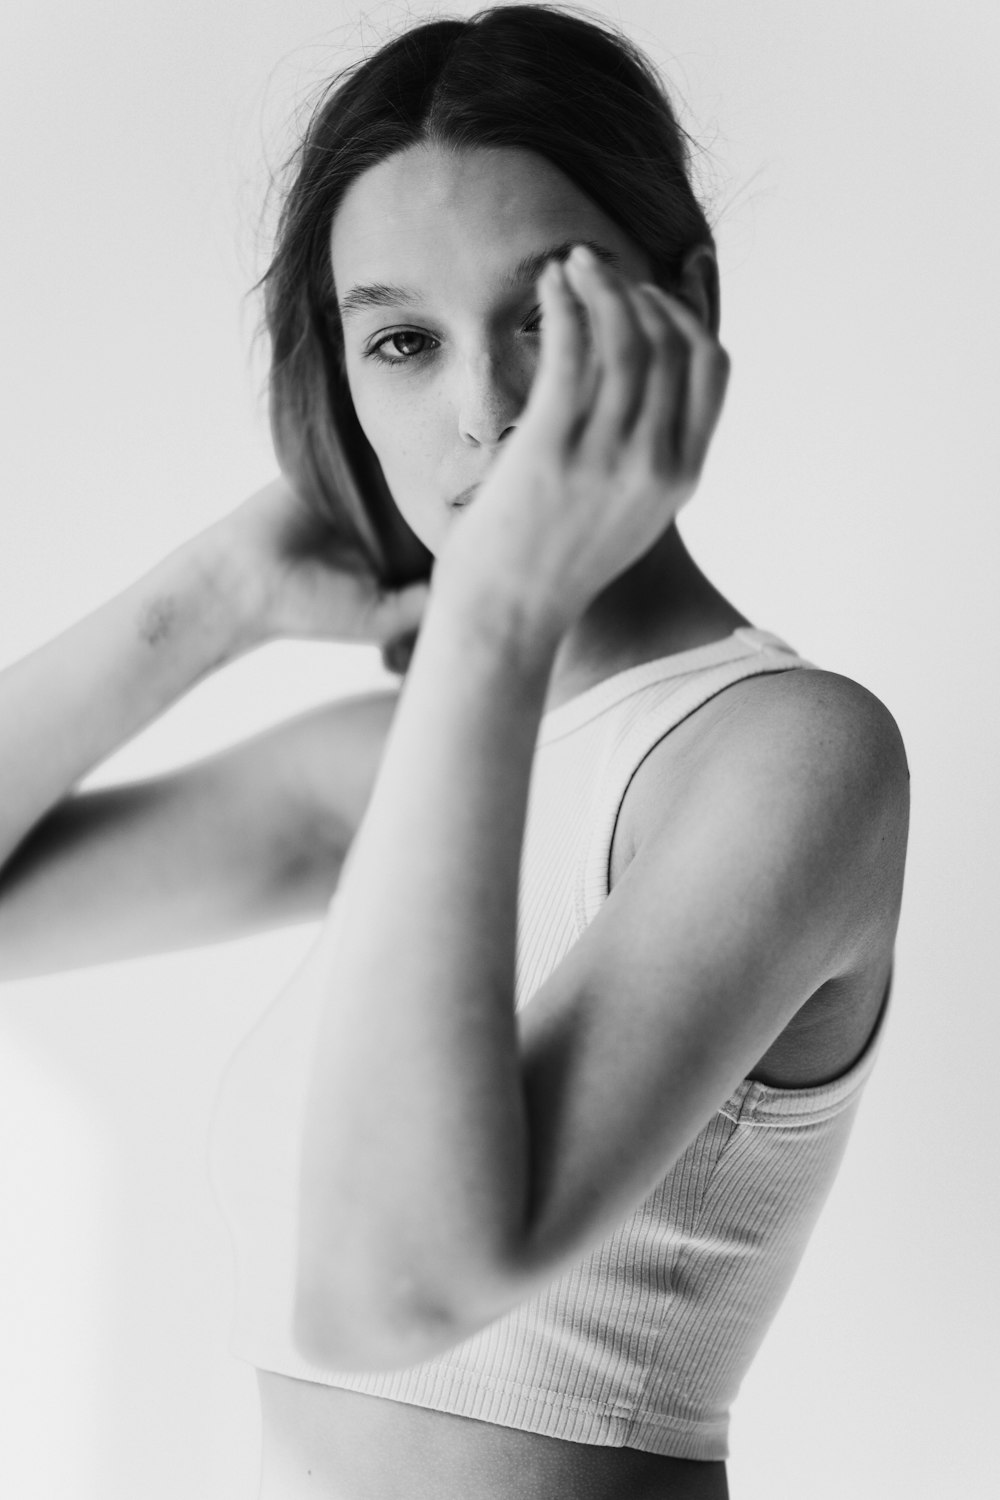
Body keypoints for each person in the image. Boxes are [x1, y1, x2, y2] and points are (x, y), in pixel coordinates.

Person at [0, 6, 909, 1497]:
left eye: (547, 311)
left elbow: (390, 1294)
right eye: (403, 341)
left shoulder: (785, 756)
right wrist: (209, 598)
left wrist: (496, 608)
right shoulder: (408, 769)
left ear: (689, 307)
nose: (482, 409)